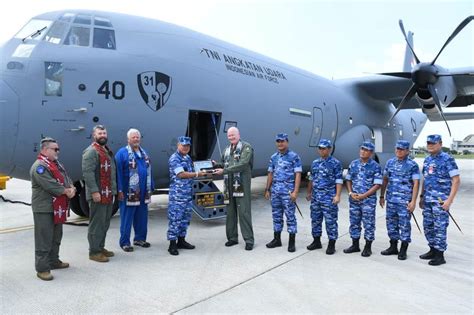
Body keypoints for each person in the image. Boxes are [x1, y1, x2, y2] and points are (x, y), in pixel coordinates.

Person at [30, 137, 76, 281]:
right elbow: (50, 185)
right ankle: (42, 268)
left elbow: (67, 179)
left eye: (58, 149)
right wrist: (67, 191)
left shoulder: (56, 164)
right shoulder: (39, 166)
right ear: (45, 149)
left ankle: (53, 261)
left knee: (56, 237)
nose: (58, 152)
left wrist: (72, 187)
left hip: (57, 207)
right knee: (43, 239)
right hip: (44, 208)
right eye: (55, 149)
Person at [419, 134, 460, 266]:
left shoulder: (447, 159)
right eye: (428, 143)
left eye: (433, 143)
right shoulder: (427, 160)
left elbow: (456, 180)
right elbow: (425, 179)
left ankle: (440, 255)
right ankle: (432, 249)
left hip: (441, 201)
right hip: (428, 200)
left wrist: (449, 201)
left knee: (440, 227)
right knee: (428, 226)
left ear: (440, 144)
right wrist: (421, 196)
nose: (430, 145)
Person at [214, 127, 255, 250]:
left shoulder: (246, 147)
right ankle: (232, 238)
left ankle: (249, 240)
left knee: (244, 212)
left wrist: (224, 170)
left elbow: (243, 164)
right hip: (228, 185)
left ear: (239, 134)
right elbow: (224, 164)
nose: (231, 137)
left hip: (240, 184)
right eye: (229, 136)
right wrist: (215, 165)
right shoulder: (227, 149)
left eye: (233, 135)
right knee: (230, 213)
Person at [379, 140, 420, 260]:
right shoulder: (390, 163)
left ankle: (403, 249)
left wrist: (413, 201)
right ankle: (393, 246)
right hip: (391, 200)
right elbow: (385, 179)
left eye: (401, 149)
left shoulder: (412, 165)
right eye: (397, 148)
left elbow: (416, 183)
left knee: (404, 225)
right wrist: (382, 196)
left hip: (404, 201)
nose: (398, 151)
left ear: (407, 151)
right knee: (391, 224)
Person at [167, 136, 208, 255]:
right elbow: (181, 174)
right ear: (178, 145)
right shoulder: (175, 158)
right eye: (183, 145)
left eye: (187, 146)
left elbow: (192, 168)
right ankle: (172, 244)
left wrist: (209, 165)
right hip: (177, 196)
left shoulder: (187, 157)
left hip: (188, 194)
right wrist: (197, 174)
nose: (185, 147)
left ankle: (181, 240)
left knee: (185, 219)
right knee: (175, 219)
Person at [115, 128, 154, 252]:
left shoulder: (144, 153)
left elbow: (148, 171)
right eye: (133, 137)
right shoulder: (122, 153)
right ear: (128, 139)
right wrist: (119, 190)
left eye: (137, 137)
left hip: (143, 192)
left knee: (142, 217)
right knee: (127, 218)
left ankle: (139, 239)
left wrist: (151, 185)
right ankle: (125, 242)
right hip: (128, 192)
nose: (136, 139)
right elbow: (118, 173)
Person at [82, 125, 117, 263]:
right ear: (94, 135)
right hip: (98, 194)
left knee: (104, 223)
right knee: (97, 224)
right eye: (99, 133)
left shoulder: (105, 151)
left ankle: (100, 247)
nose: (102, 135)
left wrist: (113, 191)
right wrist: (95, 191)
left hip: (107, 193)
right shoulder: (91, 152)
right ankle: (94, 252)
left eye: (104, 132)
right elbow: (87, 173)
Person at [264, 133, 302, 252]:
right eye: (278, 141)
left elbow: (298, 175)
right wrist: (267, 189)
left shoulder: (294, 156)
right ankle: (277, 239)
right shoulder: (274, 157)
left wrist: (295, 191)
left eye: (282, 141)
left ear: (287, 142)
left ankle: (291, 242)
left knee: (290, 216)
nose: (280, 143)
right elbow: (270, 173)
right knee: (276, 215)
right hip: (275, 191)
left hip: (288, 192)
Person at [344, 141, 382, 257]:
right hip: (354, 199)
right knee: (354, 222)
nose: (363, 151)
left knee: (368, 223)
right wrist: (350, 192)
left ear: (371, 153)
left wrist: (364, 195)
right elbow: (348, 179)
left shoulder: (375, 166)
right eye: (362, 149)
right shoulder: (354, 164)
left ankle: (367, 247)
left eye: (366, 150)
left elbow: (377, 184)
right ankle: (355, 245)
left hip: (368, 201)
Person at [305, 139, 343, 255]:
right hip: (316, 197)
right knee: (315, 220)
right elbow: (312, 178)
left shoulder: (336, 163)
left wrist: (337, 195)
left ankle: (331, 244)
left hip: (329, 197)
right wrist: (309, 192)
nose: (321, 150)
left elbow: (339, 180)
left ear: (329, 149)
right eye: (320, 148)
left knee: (330, 221)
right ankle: (316, 241)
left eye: (324, 148)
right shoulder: (315, 162)